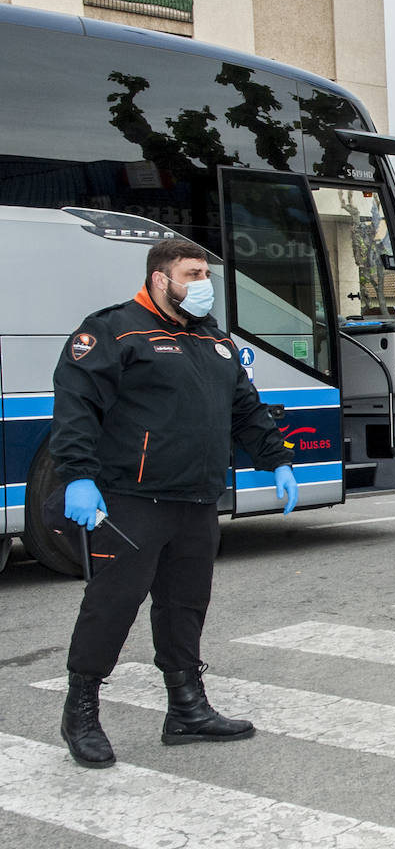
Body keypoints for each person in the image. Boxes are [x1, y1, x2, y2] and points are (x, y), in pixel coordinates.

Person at [51, 239, 299, 768]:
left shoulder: (215, 341)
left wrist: (275, 458)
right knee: (112, 604)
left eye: (206, 272)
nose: (204, 283)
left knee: (185, 605)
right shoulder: (115, 331)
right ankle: (81, 711)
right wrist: (77, 475)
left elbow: (245, 409)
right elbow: (77, 406)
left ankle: (186, 709)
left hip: (197, 499)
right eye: (193, 272)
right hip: (131, 499)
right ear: (161, 279)